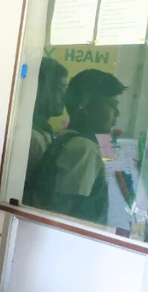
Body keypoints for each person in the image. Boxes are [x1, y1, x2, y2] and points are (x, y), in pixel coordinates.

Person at [31, 69, 125, 226]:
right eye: (111, 105)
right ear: (85, 105)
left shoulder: (72, 138)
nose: (117, 113)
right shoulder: (84, 149)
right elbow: (68, 212)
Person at [26, 57, 68, 180]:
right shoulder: (33, 139)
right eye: (59, 89)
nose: (64, 96)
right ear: (39, 90)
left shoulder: (43, 131)